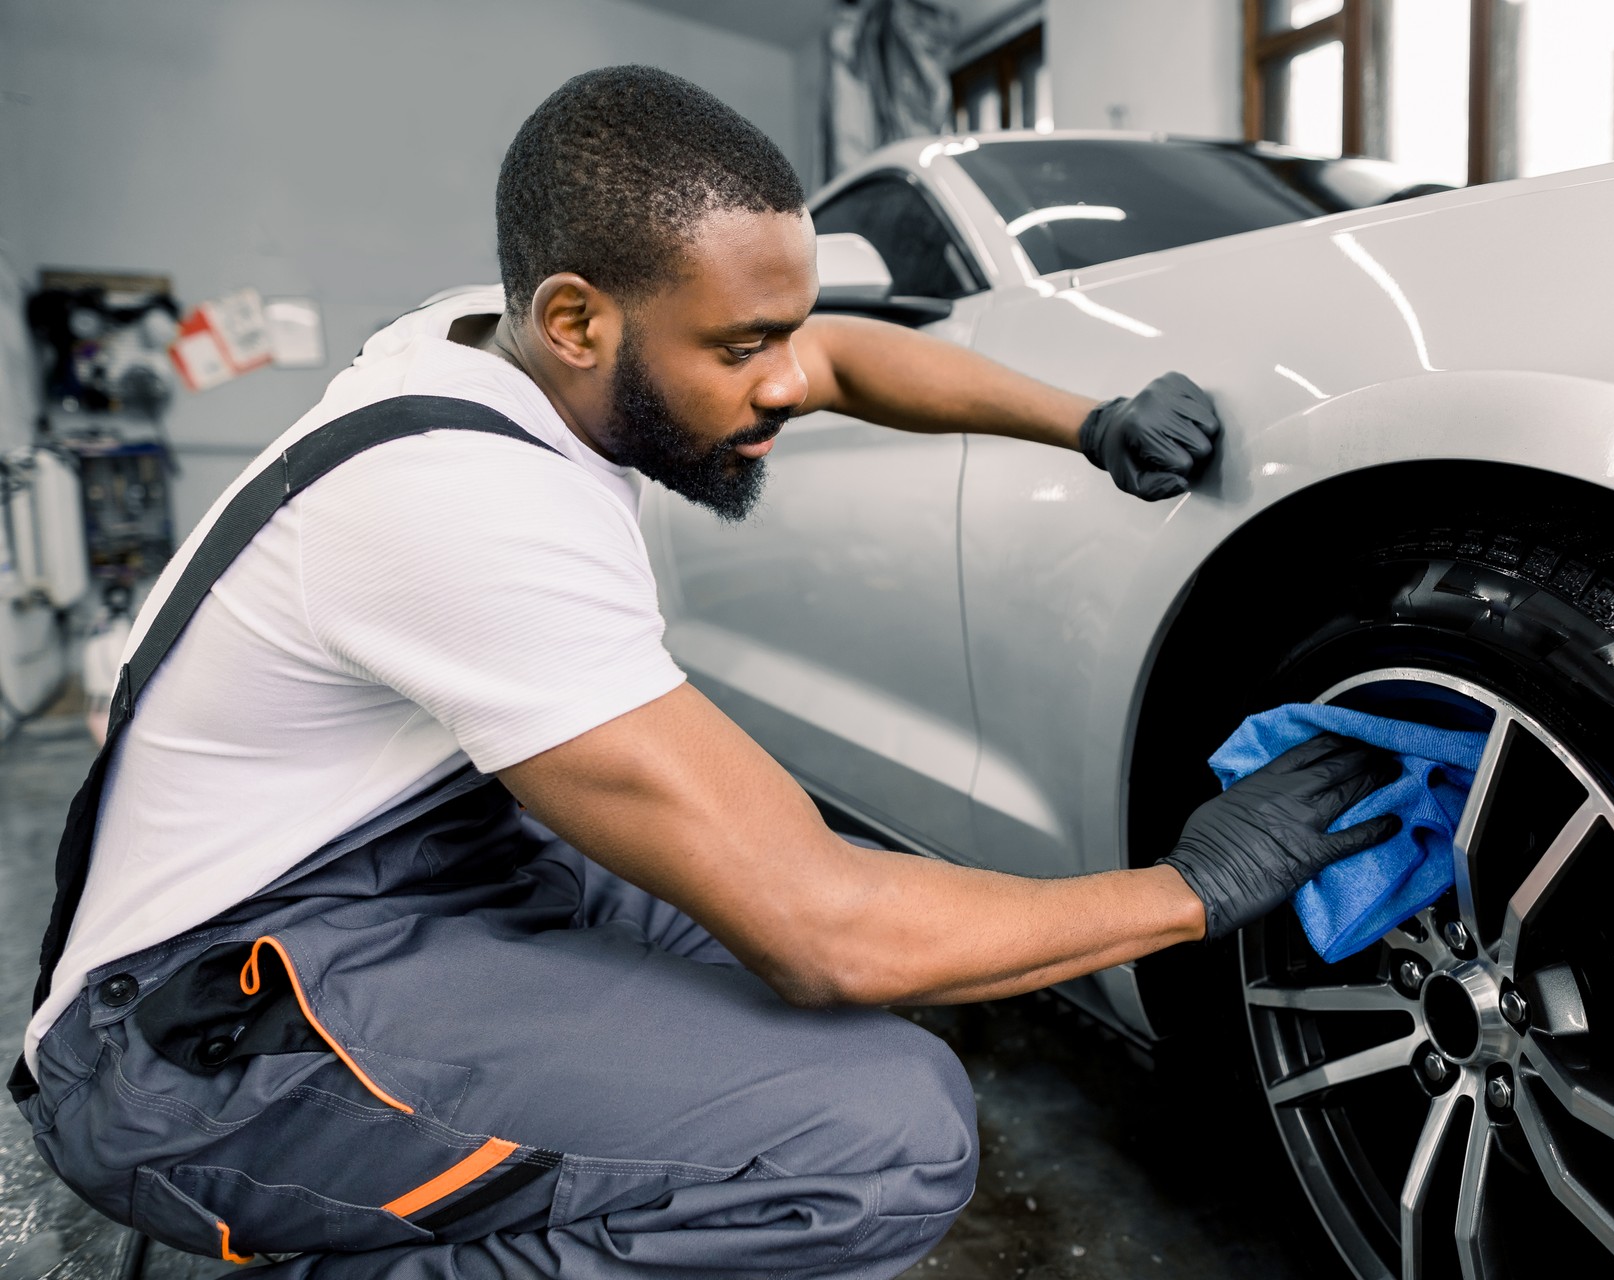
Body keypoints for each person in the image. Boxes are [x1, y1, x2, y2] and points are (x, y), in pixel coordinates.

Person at [13, 66, 1399, 1278]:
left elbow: (834, 354)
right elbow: (830, 932)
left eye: (775, 330)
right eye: (742, 351)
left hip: (409, 865)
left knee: (856, 963)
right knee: (879, 1132)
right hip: (196, 1041)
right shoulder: (462, 507)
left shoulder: (510, 338)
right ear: (575, 320)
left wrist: (1085, 421)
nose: (784, 382)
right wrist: (1194, 890)